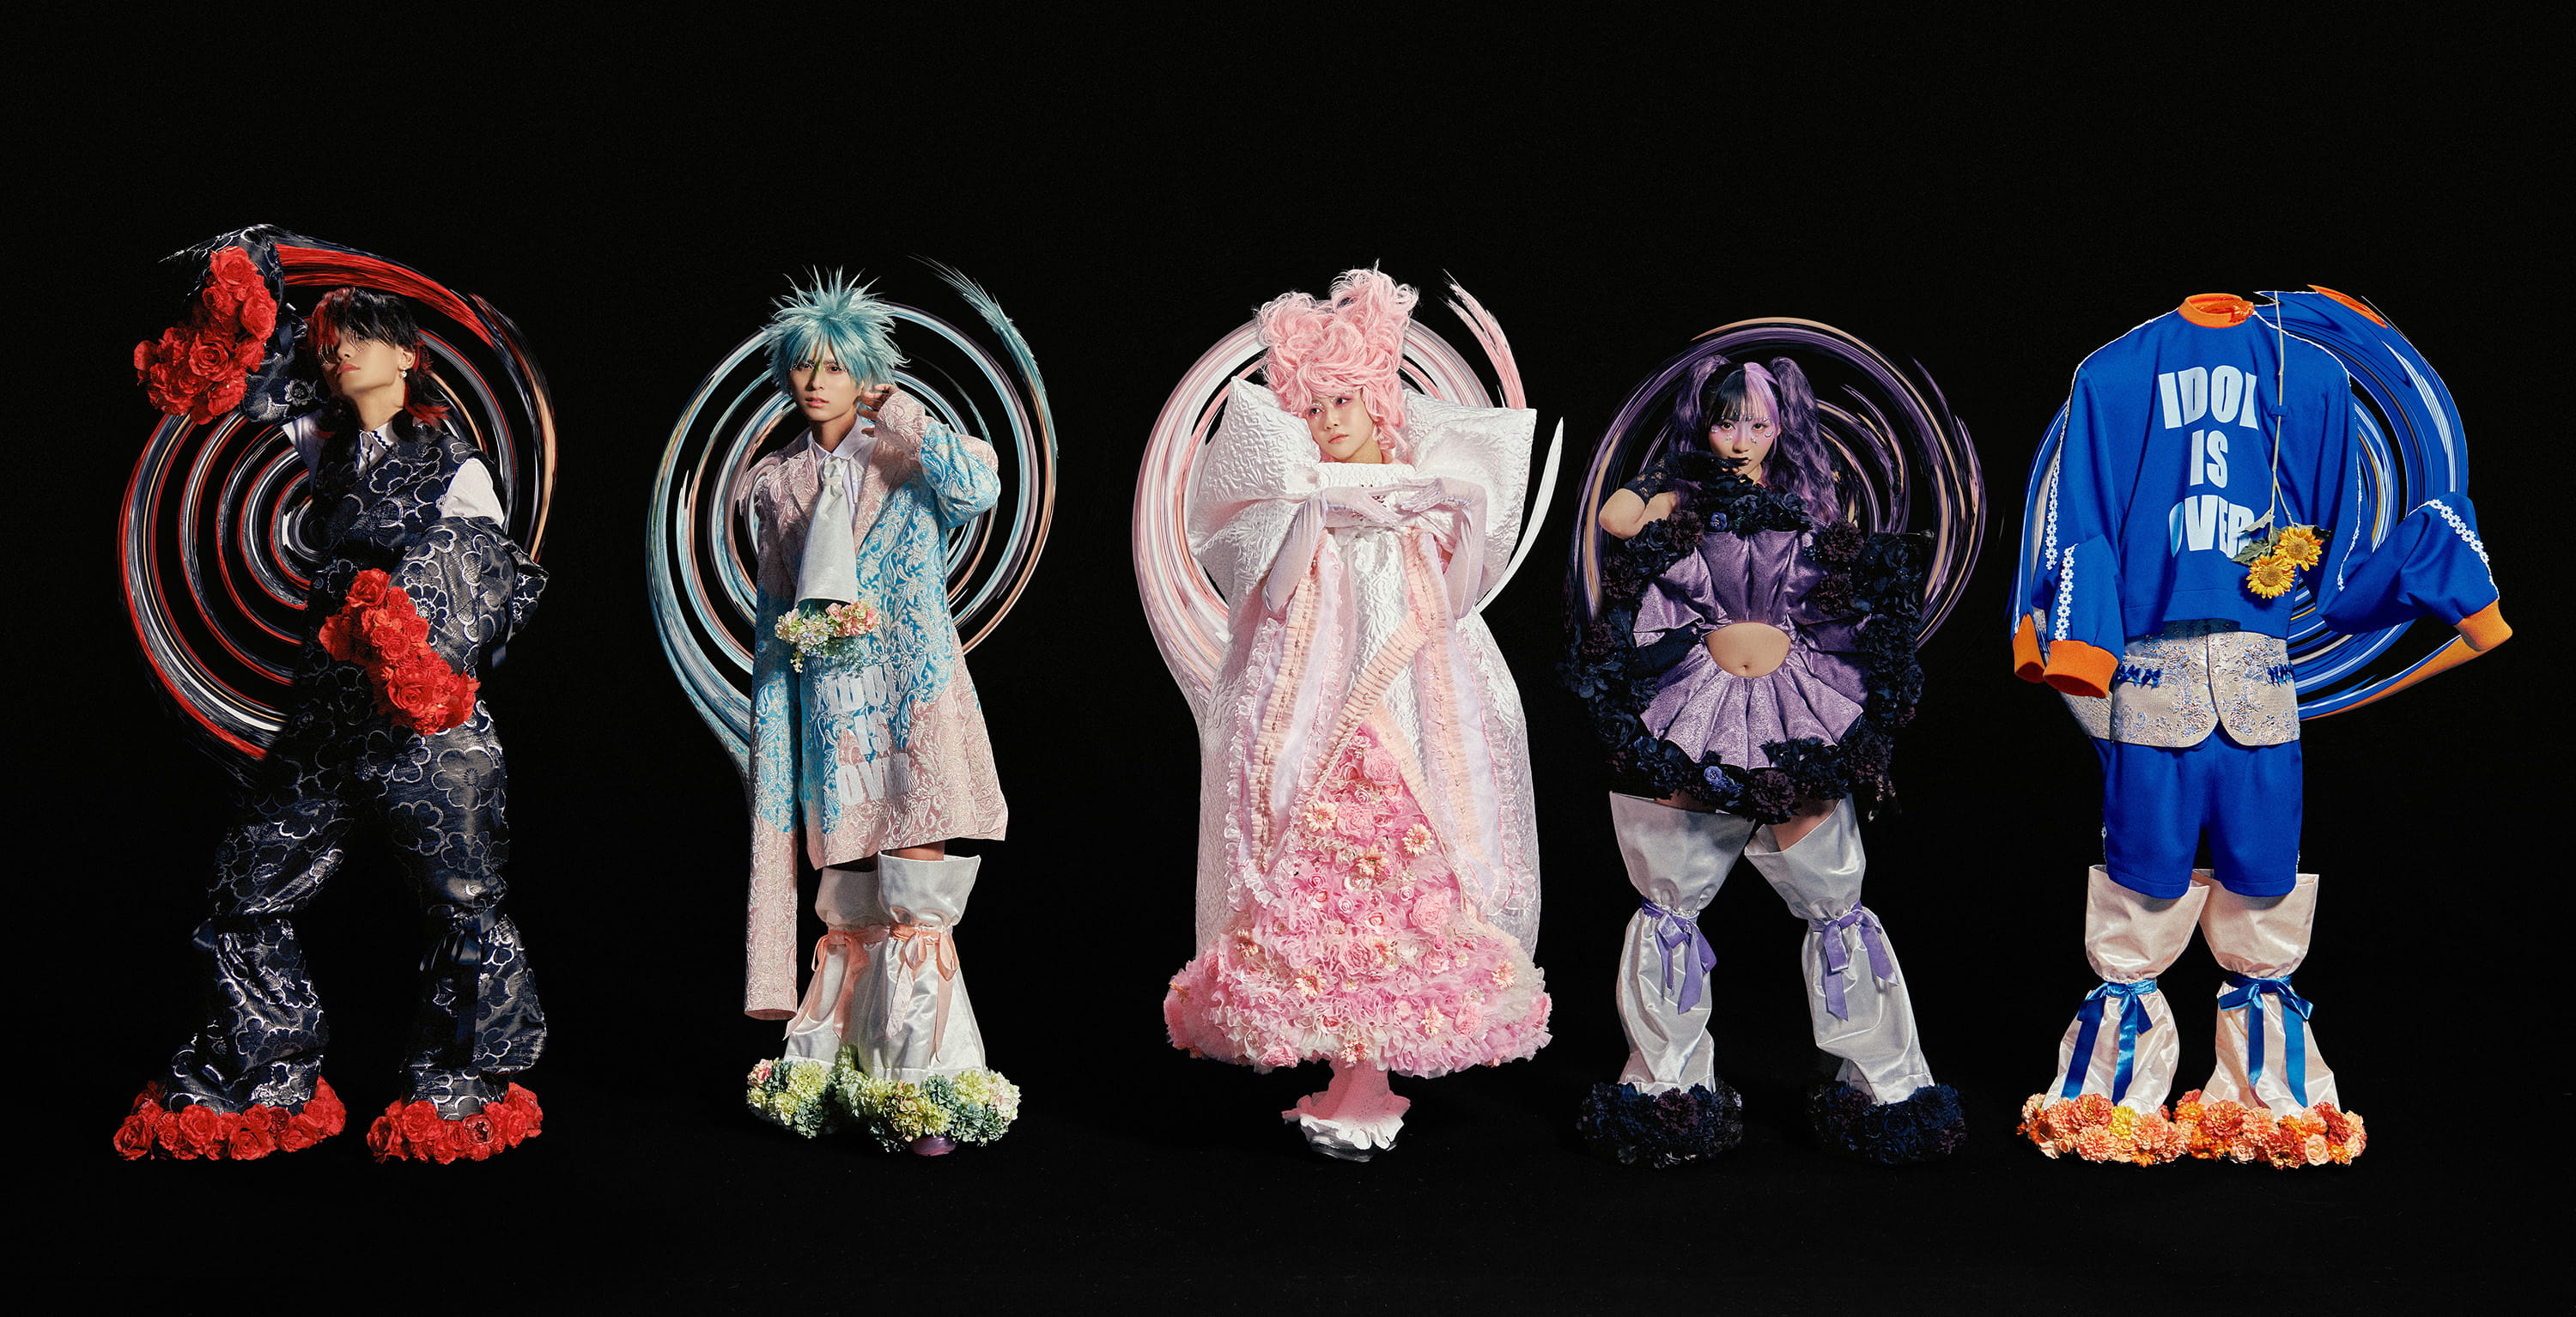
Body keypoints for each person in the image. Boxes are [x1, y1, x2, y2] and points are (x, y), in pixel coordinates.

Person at [2012, 292, 2508, 1167]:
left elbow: (2340, 557)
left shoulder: (2310, 375)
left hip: (2258, 690)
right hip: (2152, 685)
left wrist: (2448, 568)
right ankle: (2108, 1102)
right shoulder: (2114, 372)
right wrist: (2076, 651)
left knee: (2264, 886)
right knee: (2140, 885)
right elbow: (2077, 516)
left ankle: (2270, 1105)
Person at [115, 277, 550, 1162]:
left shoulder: (457, 465)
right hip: (330, 716)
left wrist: (409, 626)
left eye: (362, 335)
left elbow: (491, 573)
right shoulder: (326, 440)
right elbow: (256, 375)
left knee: (464, 901)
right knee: (246, 887)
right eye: (333, 338)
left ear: (408, 356)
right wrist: (239, 296)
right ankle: (264, 1069)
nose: (340, 350)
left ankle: (458, 1083)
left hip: (429, 723)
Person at [1163, 268, 1550, 1161]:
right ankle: (1345, 1058)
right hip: (1315, 701)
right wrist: (1318, 510)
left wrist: (1465, 508)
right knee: (1318, 862)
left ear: (1378, 401)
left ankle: (1374, 1062)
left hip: (1412, 697)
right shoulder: (1300, 494)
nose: (1330, 419)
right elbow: (1276, 595)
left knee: (1410, 860)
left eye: (1343, 400)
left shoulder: (1420, 491)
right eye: (1314, 405)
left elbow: (1457, 604)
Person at [1571, 356, 1965, 1167]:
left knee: (1835, 898)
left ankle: (1884, 1085)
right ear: (1704, 425)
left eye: (1758, 422)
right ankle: (1667, 1086)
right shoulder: (1681, 493)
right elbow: (1616, 521)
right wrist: (1664, 485)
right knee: (1669, 897)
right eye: (1726, 421)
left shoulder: (1813, 501)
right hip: (1692, 709)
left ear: (1784, 426)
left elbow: (1845, 589)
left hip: (1800, 708)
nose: (1742, 438)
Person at [735, 272, 1018, 1154]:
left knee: (915, 895)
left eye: (835, 365)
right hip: (831, 711)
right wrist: (777, 725)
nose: (816, 381)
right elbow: (774, 615)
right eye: (804, 365)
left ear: (865, 372)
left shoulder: (906, 452)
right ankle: (840, 1072)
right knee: (850, 901)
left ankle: (924, 1085)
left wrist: (904, 414)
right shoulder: (776, 483)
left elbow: (979, 488)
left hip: (913, 701)